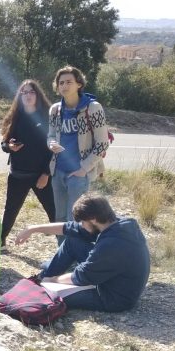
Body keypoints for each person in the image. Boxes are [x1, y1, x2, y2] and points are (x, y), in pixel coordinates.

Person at [15, 193, 150, 312]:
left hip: (114, 297)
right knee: (73, 241)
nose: (81, 225)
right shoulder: (114, 223)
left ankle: (44, 282)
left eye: (82, 221)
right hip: (112, 277)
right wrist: (33, 229)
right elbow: (69, 228)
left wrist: (53, 280)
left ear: (93, 219)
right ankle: (43, 277)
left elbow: (83, 276)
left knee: (49, 293)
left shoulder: (112, 244)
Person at [47, 66, 111, 229]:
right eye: (61, 83)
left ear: (79, 84)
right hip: (58, 171)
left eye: (69, 82)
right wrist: (51, 144)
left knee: (75, 220)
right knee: (59, 218)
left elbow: (102, 143)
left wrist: (84, 169)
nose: (64, 86)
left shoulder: (93, 108)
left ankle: (76, 247)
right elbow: (50, 135)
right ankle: (63, 246)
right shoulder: (55, 110)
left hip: (79, 174)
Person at [0, 80, 55, 246]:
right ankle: (0, 241)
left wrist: (46, 173)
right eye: (24, 92)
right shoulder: (14, 116)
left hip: (40, 175)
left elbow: (52, 149)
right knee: (10, 211)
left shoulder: (48, 117)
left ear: (38, 95)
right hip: (17, 174)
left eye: (31, 92)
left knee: (54, 211)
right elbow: (4, 143)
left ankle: (66, 244)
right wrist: (9, 147)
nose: (28, 95)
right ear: (20, 96)